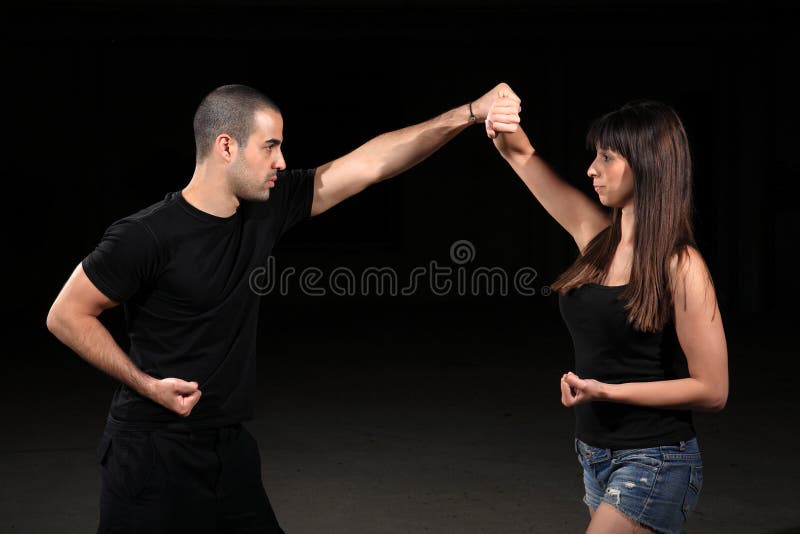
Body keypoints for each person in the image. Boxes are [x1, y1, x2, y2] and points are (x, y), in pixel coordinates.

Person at [46, 82, 521, 534]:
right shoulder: (145, 235)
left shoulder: (267, 207)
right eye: (269, 146)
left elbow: (373, 163)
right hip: (150, 452)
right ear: (226, 147)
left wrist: (470, 112)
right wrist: (147, 385)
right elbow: (66, 314)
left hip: (228, 450)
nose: (282, 160)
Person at [486, 95, 728, 534]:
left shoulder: (681, 264)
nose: (591, 169)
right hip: (593, 455)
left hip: (655, 459)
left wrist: (608, 391)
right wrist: (497, 110)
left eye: (607, 156)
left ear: (648, 164)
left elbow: (713, 389)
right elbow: (518, 153)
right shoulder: (593, 235)